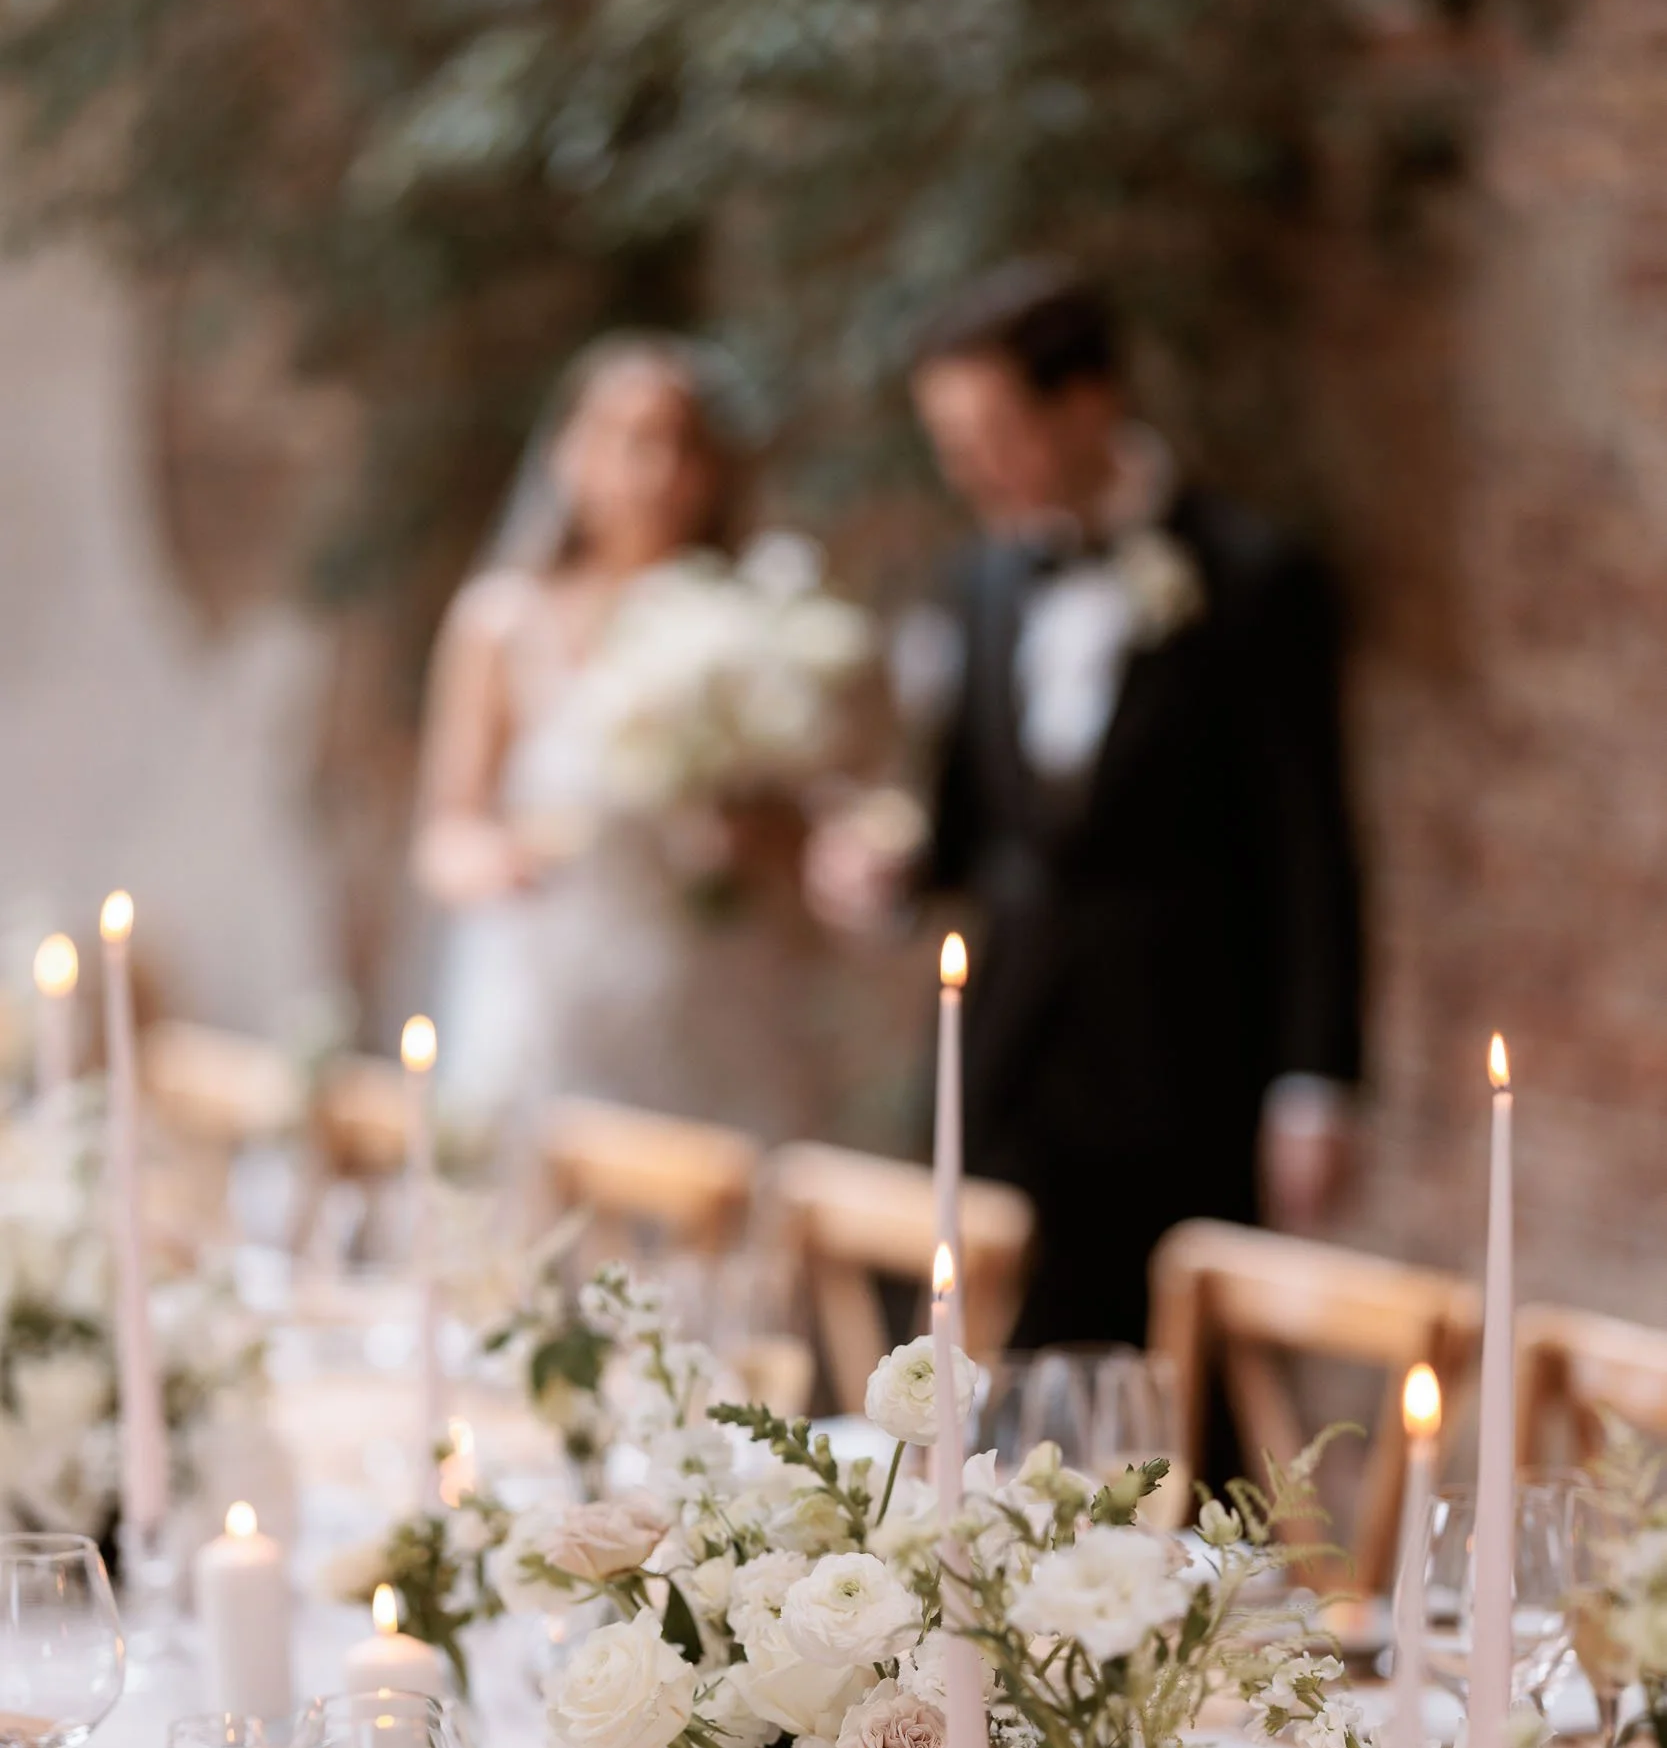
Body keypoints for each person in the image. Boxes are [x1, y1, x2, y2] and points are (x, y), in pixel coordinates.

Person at [810, 259, 1363, 1347]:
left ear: (1086, 401)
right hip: (1003, 1059)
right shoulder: (976, 582)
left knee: (1167, 1390)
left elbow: (1312, 846)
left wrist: (1315, 1083)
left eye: (993, 434)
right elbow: (963, 825)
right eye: (949, 443)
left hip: (1187, 1065)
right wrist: (883, 872)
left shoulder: (1253, 577)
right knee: (976, 1372)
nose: (969, 470)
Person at [414, 334, 878, 1140]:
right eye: (633, 442)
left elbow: (815, 833)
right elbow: (445, 834)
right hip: (554, 996)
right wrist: (494, 861)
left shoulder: (763, 621)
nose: (660, 473)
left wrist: (765, 836)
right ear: (570, 455)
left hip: (720, 1000)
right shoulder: (503, 623)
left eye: (685, 447)